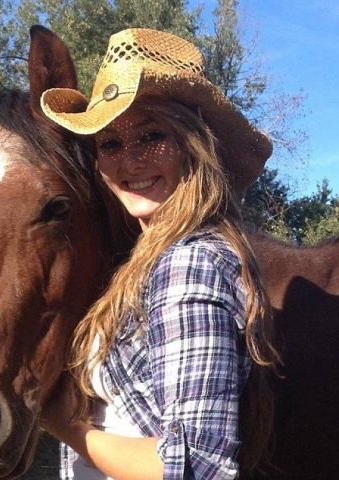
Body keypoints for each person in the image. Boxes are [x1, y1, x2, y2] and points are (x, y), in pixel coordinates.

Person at [39, 28, 280, 480]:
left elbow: (196, 466)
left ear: (193, 145)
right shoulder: (149, 260)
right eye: (110, 143)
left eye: (151, 136)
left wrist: (65, 426)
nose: (128, 161)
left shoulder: (188, 263)